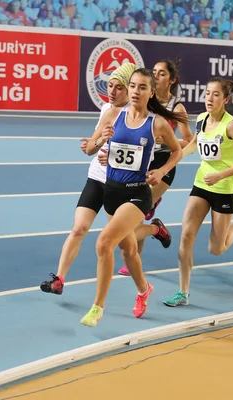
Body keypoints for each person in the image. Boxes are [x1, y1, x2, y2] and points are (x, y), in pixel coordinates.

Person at [80, 68, 188, 327]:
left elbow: (177, 151)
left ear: (151, 92)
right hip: (111, 191)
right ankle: (144, 289)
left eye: (142, 87)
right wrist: (100, 144)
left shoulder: (157, 123)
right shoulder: (112, 115)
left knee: (103, 243)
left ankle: (97, 306)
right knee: (128, 251)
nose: (136, 92)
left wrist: (161, 170)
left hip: (138, 194)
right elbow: (89, 150)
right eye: (133, 86)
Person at [163, 78, 233, 307]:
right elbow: (192, 147)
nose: (209, 98)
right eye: (207, 93)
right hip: (201, 184)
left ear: (225, 99)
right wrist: (167, 163)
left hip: (224, 189)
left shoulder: (231, 126)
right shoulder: (200, 120)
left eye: (215, 94)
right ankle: (183, 292)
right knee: (186, 235)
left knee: (216, 249)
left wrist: (221, 175)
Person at [39, 63, 138, 296]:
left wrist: (114, 159)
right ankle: (59, 280)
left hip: (119, 184)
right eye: (110, 86)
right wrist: (99, 141)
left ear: (130, 91)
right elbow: (90, 149)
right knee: (79, 228)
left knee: (127, 247)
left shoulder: (137, 118)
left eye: (119, 88)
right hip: (96, 178)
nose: (112, 92)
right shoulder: (107, 110)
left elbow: (141, 157)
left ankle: (144, 282)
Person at [117, 59, 193, 276]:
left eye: (161, 73)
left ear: (172, 80)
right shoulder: (145, 101)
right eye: (155, 73)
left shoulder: (176, 107)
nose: (157, 76)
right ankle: (135, 260)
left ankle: (156, 229)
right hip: (140, 162)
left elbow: (189, 142)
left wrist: (162, 140)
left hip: (163, 166)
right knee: (136, 214)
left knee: (133, 216)